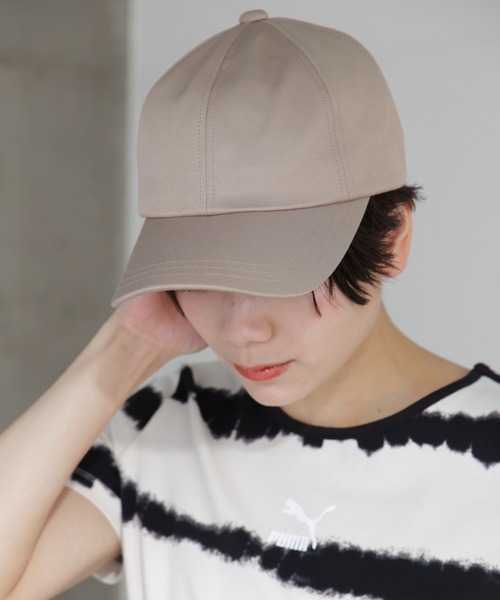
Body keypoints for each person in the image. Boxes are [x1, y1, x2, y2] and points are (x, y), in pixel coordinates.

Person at [1, 9, 499, 600]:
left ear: (391, 238)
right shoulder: (163, 426)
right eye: (199, 274)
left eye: (281, 273)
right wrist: (126, 348)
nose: (241, 329)